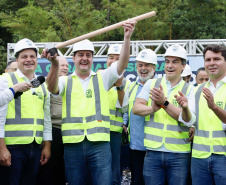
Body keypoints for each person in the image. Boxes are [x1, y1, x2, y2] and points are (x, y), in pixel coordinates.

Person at [42, 20, 136, 185]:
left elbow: (122, 65)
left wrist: (127, 38)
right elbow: (51, 88)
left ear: (93, 58)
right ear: (74, 58)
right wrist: (54, 64)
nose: (84, 58)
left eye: (88, 55)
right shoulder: (65, 80)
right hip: (73, 145)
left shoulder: (103, 78)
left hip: (99, 145)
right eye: (80, 55)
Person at [132, 44, 195, 185]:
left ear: (183, 66)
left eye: (175, 61)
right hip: (153, 152)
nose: (170, 65)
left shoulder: (190, 89)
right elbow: (136, 108)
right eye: (167, 61)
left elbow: (188, 120)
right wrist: (153, 109)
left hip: (179, 154)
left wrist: (164, 103)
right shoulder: (152, 83)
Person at [0, 38, 51, 185]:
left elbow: (46, 118)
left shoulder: (42, 85)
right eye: (24, 57)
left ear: (37, 59)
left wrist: (47, 145)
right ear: (17, 59)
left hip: (35, 148)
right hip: (12, 148)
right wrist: (2, 148)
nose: (29, 60)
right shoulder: (6, 80)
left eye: (32, 56)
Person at [177, 44, 226, 185]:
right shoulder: (197, 90)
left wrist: (214, 107)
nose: (211, 63)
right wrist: (185, 108)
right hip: (199, 158)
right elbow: (188, 120)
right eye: (208, 60)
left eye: (217, 59)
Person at [125, 49, 158, 185]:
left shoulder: (160, 86)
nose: (143, 69)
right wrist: (124, 123)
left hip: (154, 147)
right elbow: (126, 111)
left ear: (154, 67)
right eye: (140, 65)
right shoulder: (131, 87)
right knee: (137, 180)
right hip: (135, 146)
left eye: (147, 65)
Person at [36, 56, 69, 185]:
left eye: (67, 65)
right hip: (52, 131)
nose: (65, 68)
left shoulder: (71, 82)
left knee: (62, 168)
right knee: (49, 168)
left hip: (68, 132)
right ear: (53, 67)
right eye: (62, 65)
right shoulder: (44, 83)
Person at [106, 44, 130, 185]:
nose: (114, 61)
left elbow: (125, 109)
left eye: (118, 58)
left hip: (114, 132)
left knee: (114, 171)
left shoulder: (126, 83)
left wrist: (119, 85)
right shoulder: (97, 78)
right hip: (95, 132)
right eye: (111, 58)